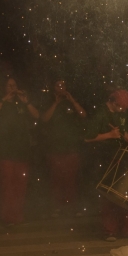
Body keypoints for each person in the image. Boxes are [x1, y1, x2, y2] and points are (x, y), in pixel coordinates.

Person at [85, 89, 128, 241]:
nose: (123, 111)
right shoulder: (100, 114)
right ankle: (109, 230)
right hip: (103, 158)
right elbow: (87, 137)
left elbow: (122, 131)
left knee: (125, 193)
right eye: (121, 107)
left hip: (119, 156)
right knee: (108, 195)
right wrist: (109, 135)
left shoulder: (119, 112)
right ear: (113, 102)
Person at [0, 78, 39, 225]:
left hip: (21, 151)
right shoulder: (0, 102)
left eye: (14, 85)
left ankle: (18, 216)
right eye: (9, 85)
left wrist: (26, 102)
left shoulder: (21, 104)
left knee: (20, 186)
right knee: (7, 186)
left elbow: (37, 116)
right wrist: (4, 99)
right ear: (4, 88)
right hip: (4, 152)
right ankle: (7, 217)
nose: (12, 88)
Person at [42, 80, 86, 216]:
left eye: (63, 85)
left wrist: (72, 100)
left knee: (71, 180)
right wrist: (56, 102)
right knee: (56, 180)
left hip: (71, 147)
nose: (61, 88)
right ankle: (56, 208)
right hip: (55, 147)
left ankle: (72, 208)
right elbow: (44, 119)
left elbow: (83, 115)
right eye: (58, 85)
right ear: (54, 87)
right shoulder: (49, 101)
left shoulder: (71, 102)